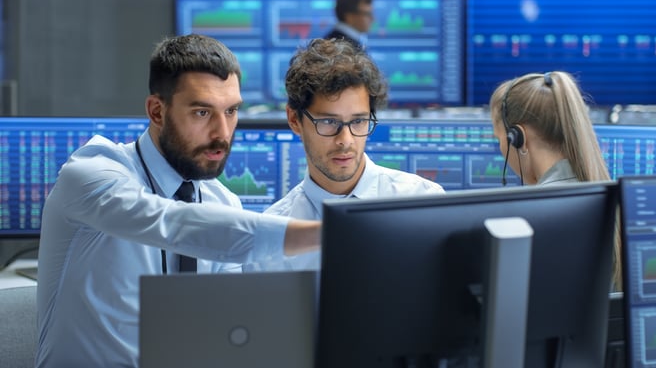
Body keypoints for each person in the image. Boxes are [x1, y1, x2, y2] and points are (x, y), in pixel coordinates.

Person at [35, 34, 320, 367]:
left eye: (231, 111)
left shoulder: (223, 202)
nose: (222, 133)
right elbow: (169, 222)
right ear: (157, 111)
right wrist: (320, 234)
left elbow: (225, 332)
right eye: (202, 113)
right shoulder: (92, 174)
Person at [246, 38, 444, 272]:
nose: (346, 141)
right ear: (294, 120)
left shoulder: (422, 203)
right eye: (329, 122)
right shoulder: (271, 239)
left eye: (359, 121)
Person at [489, 70, 622, 290]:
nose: (501, 149)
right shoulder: (610, 202)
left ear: (518, 138)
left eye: (499, 139)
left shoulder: (524, 222)